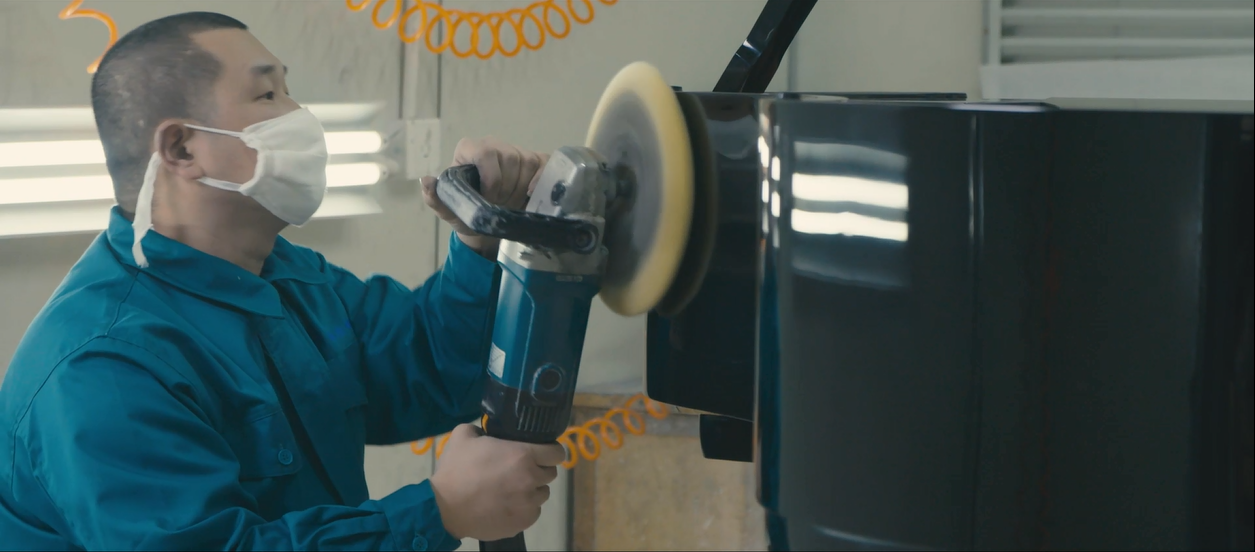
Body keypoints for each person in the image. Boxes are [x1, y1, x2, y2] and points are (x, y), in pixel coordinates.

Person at [0, 11, 564, 551]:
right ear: (181, 148)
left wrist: (481, 238)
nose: (299, 114)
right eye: (268, 94)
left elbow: (429, 371)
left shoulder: (285, 278)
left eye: (289, 90)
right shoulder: (106, 368)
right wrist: (438, 511)